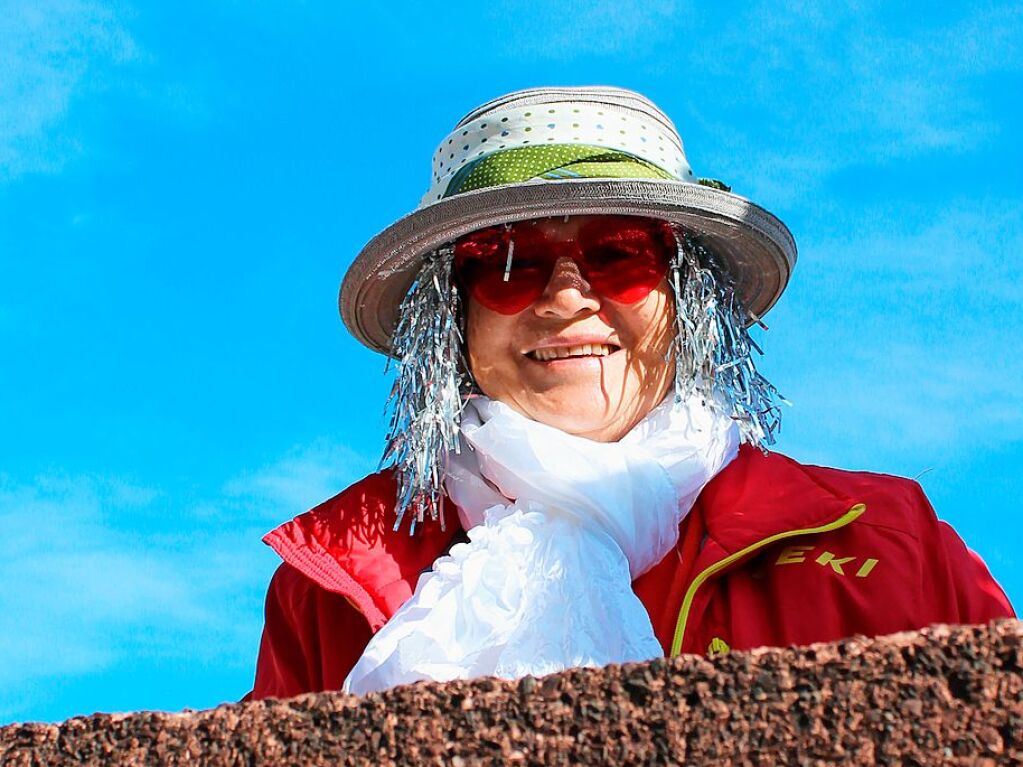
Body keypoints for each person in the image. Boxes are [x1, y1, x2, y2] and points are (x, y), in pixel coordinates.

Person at [249, 86, 1013, 700]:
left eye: (618, 253)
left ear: (688, 300)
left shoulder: (886, 539)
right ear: (454, 320)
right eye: (507, 261)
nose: (567, 296)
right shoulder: (327, 586)